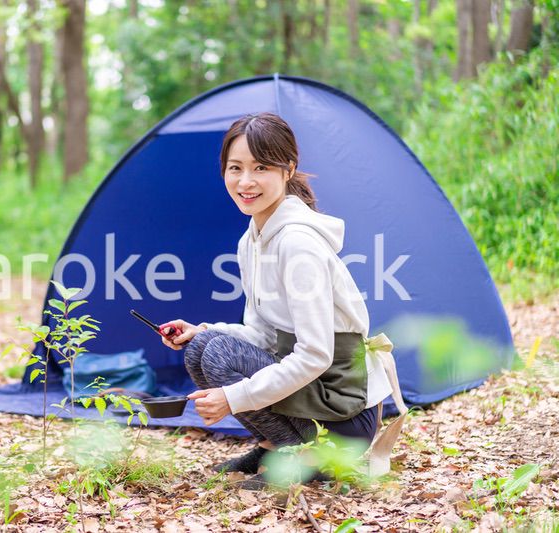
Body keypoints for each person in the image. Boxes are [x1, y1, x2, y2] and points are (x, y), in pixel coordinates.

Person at [158, 112, 393, 490]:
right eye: (235, 168)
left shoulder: (297, 244)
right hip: (316, 397)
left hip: (344, 415)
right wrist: (203, 329)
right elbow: (263, 335)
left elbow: (316, 354)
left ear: (288, 169)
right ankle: (273, 448)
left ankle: (309, 459)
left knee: (218, 356)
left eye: (261, 167)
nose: (245, 181)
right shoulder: (251, 239)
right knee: (201, 347)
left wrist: (234, 397)